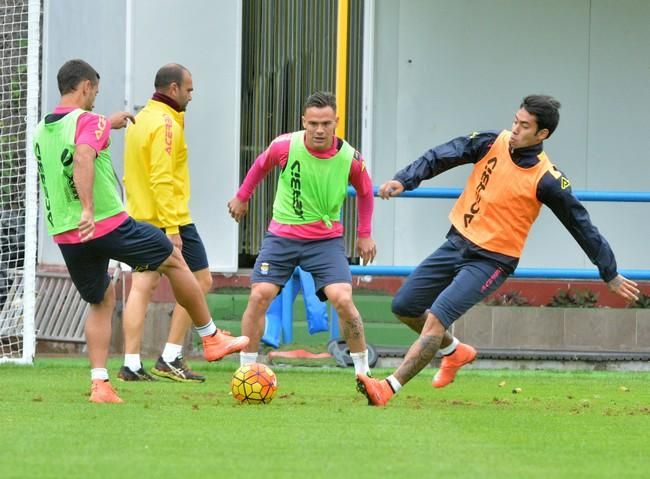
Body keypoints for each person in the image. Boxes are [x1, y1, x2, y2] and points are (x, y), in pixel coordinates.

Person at [357, 94, 640, 406]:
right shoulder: (491, 142)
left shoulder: (547, 180)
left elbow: (581, 224)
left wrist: (609, 272)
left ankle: (387, 388)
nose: (515, 129)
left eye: (524, 126)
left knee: (436, 319)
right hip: (456, 242)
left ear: (542, 134)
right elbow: (443, 154)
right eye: (515, 121)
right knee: (405, 306)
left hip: (492, 261)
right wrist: (405, 179)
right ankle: (454, 351)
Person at [33, 59, 249, 403]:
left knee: (101, 299)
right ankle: (210, 336)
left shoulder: (44, 128)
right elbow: (83, 155)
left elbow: (77, 139)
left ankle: (100, 383)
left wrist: (109, 123)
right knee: (173, 257)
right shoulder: (89, 122)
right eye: (95, 93)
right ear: (86, 86)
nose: (95, 99)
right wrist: (89, 207)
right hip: (105, 222)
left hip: (66, 234)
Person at [227, 91, 377, 383]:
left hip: (325, 241)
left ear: (336, 122)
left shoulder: (350, 159)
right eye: (313, 123)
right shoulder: (284, 146)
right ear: (303, 122)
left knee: (343, 300)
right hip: (282, 237)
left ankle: (365, 376)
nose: (319, 130)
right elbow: (260, 166)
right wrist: (242, 197)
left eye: (326, 123)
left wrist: (365, 235)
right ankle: (245, 371)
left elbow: (366, 192)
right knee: (260, 295)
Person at [119, 64, 211, 383]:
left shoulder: (141, 118)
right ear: (173, 89)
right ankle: (171, 356)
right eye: (188, 89)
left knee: (142, 287)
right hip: (171, 219)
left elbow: (132, 173)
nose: (191, 95)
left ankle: (131, 363)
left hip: (140, 216)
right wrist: (172, 228)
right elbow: (161, 178)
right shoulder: (166, 124)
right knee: (200, 282)